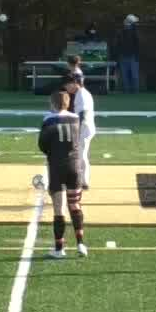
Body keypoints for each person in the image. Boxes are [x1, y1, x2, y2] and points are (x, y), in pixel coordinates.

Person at [37, 89, 88, 259]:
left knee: (59, 209)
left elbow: (42, 145)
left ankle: (59, 249)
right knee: (75, 205)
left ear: (52, 104)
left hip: (57, 167)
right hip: (74, 166)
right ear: (68, 103)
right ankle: (81, 244)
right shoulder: (75, 118)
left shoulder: (48, 119)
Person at [64, 58, 96, 189]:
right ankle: (81, 179)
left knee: (81, 154)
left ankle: (83, 181)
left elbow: (81, 115)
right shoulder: (80, 93)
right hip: (85, 127)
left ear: (74, 83)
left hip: (84, 128)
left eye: (67, 85)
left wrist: (75, 130)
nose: (66, 88)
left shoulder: (81, 94)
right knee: (81, 154)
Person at [116, 15, 142, 94]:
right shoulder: (121, 32)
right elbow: (118, 44)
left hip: (132, 56)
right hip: (124, 56)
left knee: (133, 75)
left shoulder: (135, 32)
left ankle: (135, 91)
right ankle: (127, 91)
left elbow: (138, 43)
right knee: (125, 76)